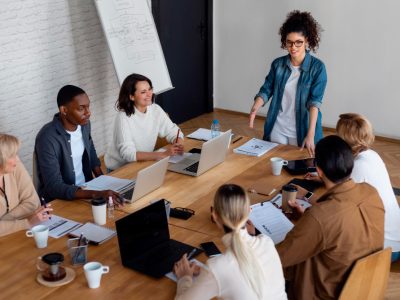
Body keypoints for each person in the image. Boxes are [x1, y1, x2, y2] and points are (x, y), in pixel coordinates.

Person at [277, 135, 384, 300]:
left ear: (318, 170)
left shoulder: (321, 216)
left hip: (326, 292)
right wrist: (306, 220)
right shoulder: (371, 193)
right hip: (365, 286)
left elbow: (278, 258)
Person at [173, 184, 287, 300]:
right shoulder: (267, 242)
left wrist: (184, 277)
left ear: (214, 215)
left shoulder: (217, 267)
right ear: (249, 211)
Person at [249, 10, 327, 157]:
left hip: (303, 128)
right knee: (273, 164)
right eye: (289, 42)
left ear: (307, 41)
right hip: (277, 126)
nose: (293, 47)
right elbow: (266, 89)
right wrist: (255, 107)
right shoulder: (278, 65)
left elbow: (314, 104)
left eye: (299, 42)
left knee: (300, 167)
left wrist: (310, 135)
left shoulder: (318, 68)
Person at [35, 85, 119, 203]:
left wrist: (104, 182)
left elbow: (90, 151)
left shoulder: (84, 124)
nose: (88, 113)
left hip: (87, 189)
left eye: (88, 106)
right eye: (81, 108)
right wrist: (97, 194)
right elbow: (54, 187)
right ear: (64, 110)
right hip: (61, 200)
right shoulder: (47, 138)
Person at [336, 113, 400, 262]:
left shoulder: (358, 166)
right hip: (395, 233)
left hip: (387, 247)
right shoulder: (371, 154)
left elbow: (338, 206)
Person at [104, 73, 184, 171]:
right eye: (143, 92)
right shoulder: (123, 117)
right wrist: (162, 154)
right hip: (121, 168)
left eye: (150, 89)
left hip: (143, 162)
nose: (149, 94)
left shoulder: (155, 109)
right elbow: (128, 154)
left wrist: (178, 144)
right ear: (131, 96)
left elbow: (173, 131)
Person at [0, 134, 52, 237]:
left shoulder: (15, 167)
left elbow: (32, 203)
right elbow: (29, 218)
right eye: (12, 156)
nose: (18, 159)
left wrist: (4, 222)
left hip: (18, 235)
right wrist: (27, 222)